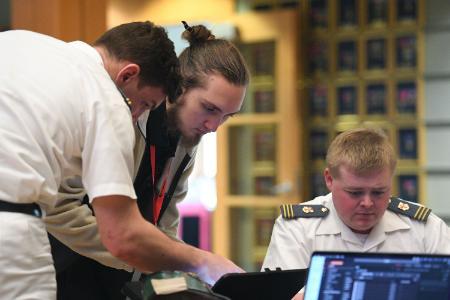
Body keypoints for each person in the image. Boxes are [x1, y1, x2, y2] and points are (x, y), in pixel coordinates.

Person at [0, 21, 246, 300]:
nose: (214, 126)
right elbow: (110, 229)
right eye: (209, 108)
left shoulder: (24, 45)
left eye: (227, 117)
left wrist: (169, 265)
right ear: (178, 91)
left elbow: (161, 227)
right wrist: (196, 261)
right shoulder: (112, 104)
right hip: (54, 258)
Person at [262, 127, 450, 298]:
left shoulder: (425, 229)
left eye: (378, 192)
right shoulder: (297, 228)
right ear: (329, 179)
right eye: (355, 192)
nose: (367, 203)